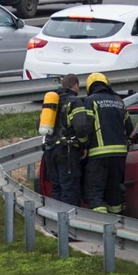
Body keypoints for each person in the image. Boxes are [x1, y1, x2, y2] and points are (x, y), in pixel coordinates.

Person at [72, 72, 133, 215]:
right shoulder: (119, 101)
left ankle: (101, 226)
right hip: (119, 155)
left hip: (98, 155)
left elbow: (85, 127)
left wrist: (83, 146)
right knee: (114, 190)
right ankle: (117, 222)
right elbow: (129, 127)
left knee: (95, 191)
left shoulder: (90, 101)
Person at [40, 74, 85, 206]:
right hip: (67, 152)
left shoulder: (52, 102)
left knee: (56, 187)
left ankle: (56, 222)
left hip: (50, 150)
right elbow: (81, 127)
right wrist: (83, 145)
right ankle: (68, 223)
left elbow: (40, 124)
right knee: (69, 189)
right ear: (76, 85)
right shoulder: (75, 102)